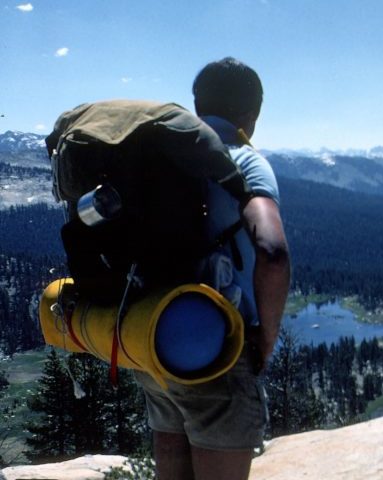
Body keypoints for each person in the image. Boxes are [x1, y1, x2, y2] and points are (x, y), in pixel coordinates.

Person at [133, 57, 291, 480]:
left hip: (154, 340)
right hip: (217, 350)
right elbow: (273, 252)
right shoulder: (243, 161)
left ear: (198, 105)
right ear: (252, 114)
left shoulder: (161, 161)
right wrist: (265, 339)